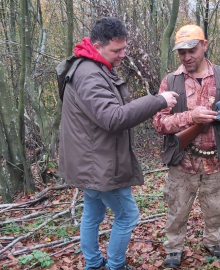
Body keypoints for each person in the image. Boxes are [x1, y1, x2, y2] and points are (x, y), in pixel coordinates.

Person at [58, 17, 179, 270]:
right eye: (117, 50)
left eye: (124, 48)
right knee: (127, 215)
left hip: (91, 161)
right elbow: (112, 118)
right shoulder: (90, 74)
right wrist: (158, 100)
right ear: (97, 45)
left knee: (92, 213)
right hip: (99, 164)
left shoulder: (91, 67)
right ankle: (116, 265)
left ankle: (93, 264)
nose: (123, 55)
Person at [152, 24, 220, 268]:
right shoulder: (170, 81)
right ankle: (174, 249)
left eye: (192, 50)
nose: (186, 57)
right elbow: (159, 123)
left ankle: (213, 242)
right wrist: (190, 118)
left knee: (215, 208)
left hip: (216, 160)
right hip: (183, 162)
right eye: (181, 53)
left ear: (205, 45)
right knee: (177, 211)